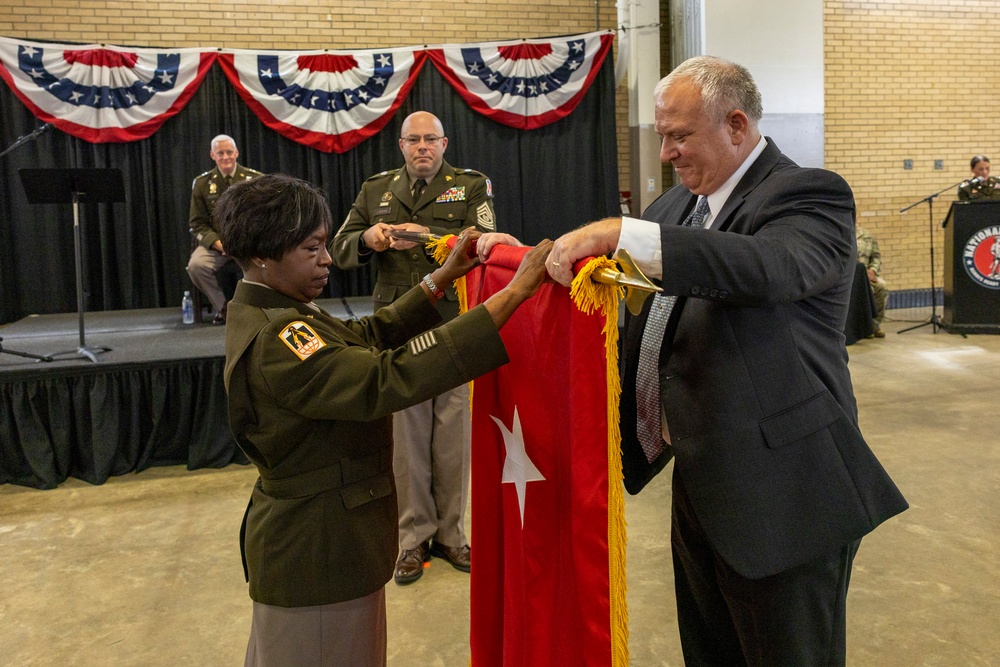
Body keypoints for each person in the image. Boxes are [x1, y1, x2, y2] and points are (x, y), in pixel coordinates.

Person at [545, 56, 908, 666]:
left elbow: (766, 269)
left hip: (785, 494)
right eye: (662, 135)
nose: (666, 153)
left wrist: (620, 234)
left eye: (679, 136)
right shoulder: (671, 211)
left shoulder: (808, 195)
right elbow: (621, 298)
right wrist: (524, 260)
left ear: (736, 126)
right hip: (701, 475)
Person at [215, 173, 551, 666]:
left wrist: (440, 279)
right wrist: (512, 297)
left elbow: (367, 334)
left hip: (327, 547)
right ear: (265, 253)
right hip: (321, 555)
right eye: (312, 248)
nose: (328, 259)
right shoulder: (278, 337)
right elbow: (383, 378)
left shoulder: (279, 310)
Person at [331, 111, 497, 584]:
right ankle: (413, 538)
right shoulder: (375, 190)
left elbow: (483, 243)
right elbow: (340, 247)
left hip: (452, 323)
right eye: (413, 140)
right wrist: (368, 238)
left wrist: (432, 239)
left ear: (444, 144)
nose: (422, 147)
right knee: (405, 441)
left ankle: (452, 535)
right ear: (400, 145)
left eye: (430, 139)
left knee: (451, 434)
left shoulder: (471, 185)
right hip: (397, 326)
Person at [187, 134, 263, 324]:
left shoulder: (255, 179)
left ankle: (257, 309)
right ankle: (225, 308)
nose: (226, 157)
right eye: (220, 153)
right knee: (196, 266)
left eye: (229, 152)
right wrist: (218, 244)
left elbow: (262, 218)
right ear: (213, 155)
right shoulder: (203, 184)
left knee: (267, 262)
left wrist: (242, 242)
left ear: (236, 153)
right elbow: (197, 223)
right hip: (218, 245)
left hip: (248, 244)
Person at [857, 225, 888, 338]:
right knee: (863, 290)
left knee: (882, 286)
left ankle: (874, 325)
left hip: (868, 275)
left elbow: (876, 257)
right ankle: (862, 328)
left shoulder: (867, 235)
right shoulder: (842, 233)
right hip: (850, 277)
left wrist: (872, 271)